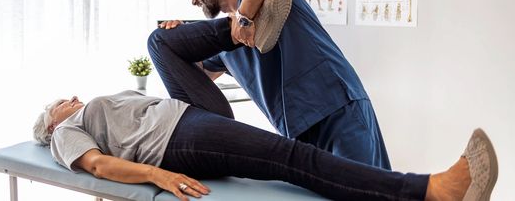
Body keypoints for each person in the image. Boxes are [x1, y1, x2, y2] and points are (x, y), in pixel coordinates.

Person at [151, 0, 390, 169]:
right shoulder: (224, 39)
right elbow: (197, 77)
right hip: (296, 130)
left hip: (336, 107)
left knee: (367, 190)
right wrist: (178, 40)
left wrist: (244, 16)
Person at [32, 87, 498, 201]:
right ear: (50, 126)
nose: (69, 98)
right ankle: (431, 190)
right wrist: (159, 174)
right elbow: (96, 166)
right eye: (59, 103)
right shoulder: (66, 133)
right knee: (295, 157)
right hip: (177, 140)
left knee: (294, 157)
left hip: (187, 121)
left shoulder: (86, 110)